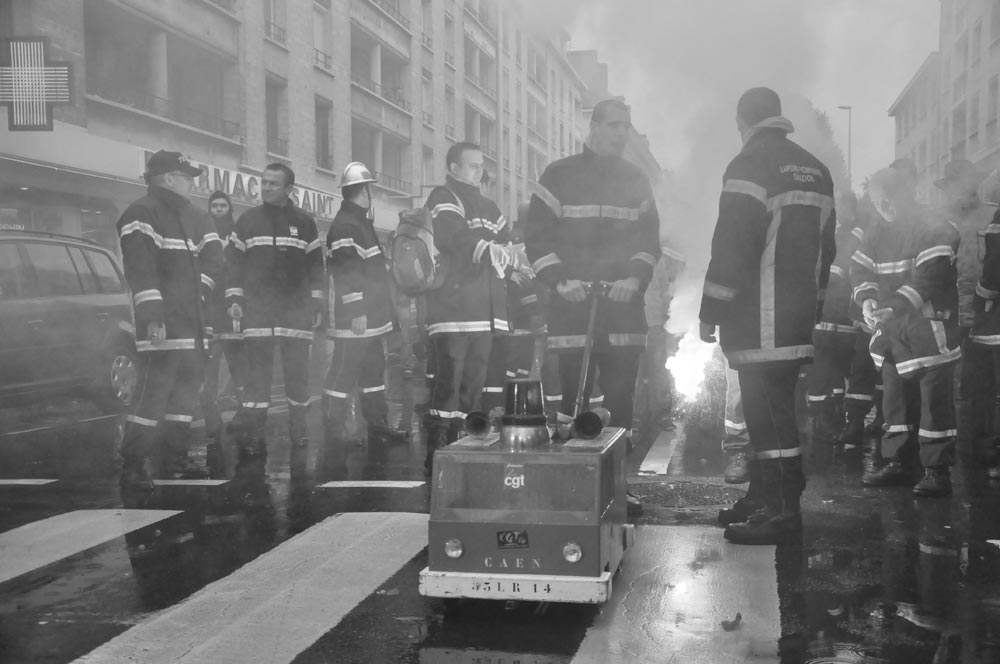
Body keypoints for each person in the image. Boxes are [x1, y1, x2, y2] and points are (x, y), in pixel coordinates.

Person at [699, 87, 836, 544]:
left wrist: (710, 309)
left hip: (758, 320)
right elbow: (826, 249)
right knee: (771, 415)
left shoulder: (748, 164)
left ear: (743, 122)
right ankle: (763, 498)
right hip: (795, 319)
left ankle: (781, 511)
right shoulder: (816, 170)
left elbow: (733, 244)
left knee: (769, 419)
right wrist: (812, 308)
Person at [525, 98, 661, 516]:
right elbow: (537, 238)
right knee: (571, 401)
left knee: (619, 405)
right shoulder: (559, 175)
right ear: (595, 126)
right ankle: (570, 486)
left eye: (627, 125)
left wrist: (634, 280)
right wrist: (560, 280)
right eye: (616, 125)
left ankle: (617, 488)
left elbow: (648, 242)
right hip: (574, 307)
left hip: (621, 311)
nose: (623, 133)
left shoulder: (636, 180)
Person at [116, 150, 222, 490]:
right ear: (168, 178)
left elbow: (215, 259)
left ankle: (175, 456)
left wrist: (201, 294)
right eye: (187, 175)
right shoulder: (141, 213)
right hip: (162, 326)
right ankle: (133, 461)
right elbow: (140, 270)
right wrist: (152, 317)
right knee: (152, 394)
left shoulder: (192, 216)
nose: (192, 182)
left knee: (184, 395)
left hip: (191, 325)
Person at [854, 167, 961, 497]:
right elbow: (861, 269)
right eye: (877, 201)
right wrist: (867, 301)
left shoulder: (934, 227)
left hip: (930, 329)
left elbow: (931, 277)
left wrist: (894, 305)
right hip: (894, 331)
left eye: (889, 198)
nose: (884, 206)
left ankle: (936, 470)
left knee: (934, 401)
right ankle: (899, 461)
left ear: (905, 194)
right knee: (894, 399)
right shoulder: (875, 233)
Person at [226, 163, 325, 477]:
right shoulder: (247, 221)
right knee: (257, 381)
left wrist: (318, 303)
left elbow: (315, 268)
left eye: (272, 183)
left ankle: (300, 431)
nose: (266, 187)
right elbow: (233, 266)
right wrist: (234, 300)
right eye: (263, 182)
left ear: (288, 189)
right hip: (258, 315)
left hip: (295, 314)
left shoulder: (304, 224)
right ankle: (253, 436)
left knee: (298, 378)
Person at [422, 142, 511, 469]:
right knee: (449, 385)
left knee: (473, 387)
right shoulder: (444, 197)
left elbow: (509, 240)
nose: (479, 171)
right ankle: (436, 453)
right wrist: (489, 249)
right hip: (453, 311)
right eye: (472, 165)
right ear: (453, 168)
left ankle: (465, 448)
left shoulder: (489, 206)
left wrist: (517, 254)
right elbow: (452, 237)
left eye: (481, 165)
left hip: (484, 313)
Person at [323, 162, 406, 456]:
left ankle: (377, 427)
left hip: (372, 318)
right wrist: (357, 309)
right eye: (370, 188)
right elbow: (347, 270)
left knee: (372, 374)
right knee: (343, 373)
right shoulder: (348, 224)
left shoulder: (359, 221)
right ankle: (335, 430)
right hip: (356, 320)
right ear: (363, 190)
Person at [938, 160, 998, 467]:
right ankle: (957, 446)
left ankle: (984, 448)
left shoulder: (991, 214)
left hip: (987, 315)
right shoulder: (937, 221)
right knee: (947, 384)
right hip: (948, 316)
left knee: (982, 386)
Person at [806, 190, 862, 446]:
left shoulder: (851, 234)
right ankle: (825, 416)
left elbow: (835, 271)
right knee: (830, 368)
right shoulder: (842, 233)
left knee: (828, 367)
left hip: (836, 313)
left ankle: (827, 415)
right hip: (836, 315)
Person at [201, 190, 247, 477]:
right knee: (208, 367)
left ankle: (245, 414)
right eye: (214, 205)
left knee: (239, 365)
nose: (218, 209)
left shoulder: (236, 234)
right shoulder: (203, 234)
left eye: (223, 205)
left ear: (230, 208)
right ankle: (211, 420)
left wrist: (237, 302)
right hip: (207, 307)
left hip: (232, 307)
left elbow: (239, 269)